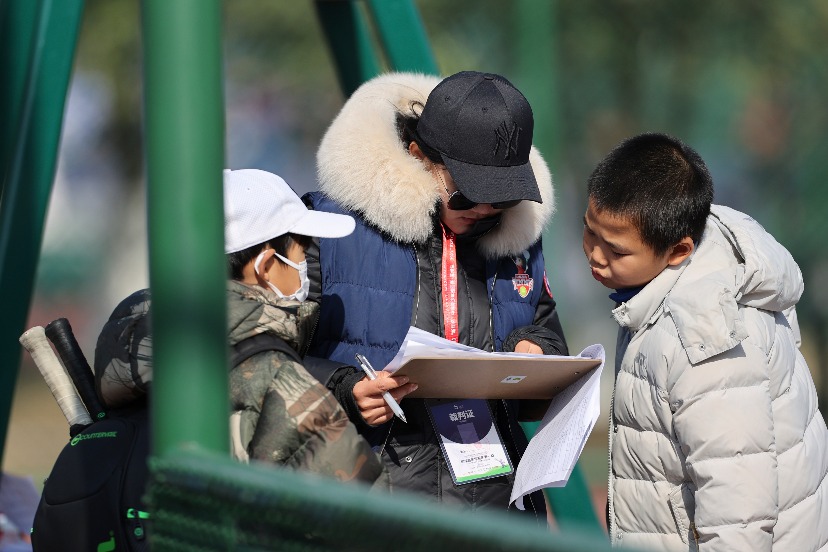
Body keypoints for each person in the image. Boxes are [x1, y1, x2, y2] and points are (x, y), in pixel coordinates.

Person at [302, 71, 568, 521]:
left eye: (501, 198)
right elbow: (268, 355)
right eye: (468, 196)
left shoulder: (518, 239)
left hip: (496, 507)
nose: (485, 210)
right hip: (370, 503)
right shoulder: (328, 228)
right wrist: (345, 389)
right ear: (419, 157)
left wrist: (534, 347)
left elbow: (547, 331)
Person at [583, 132, 828, 550]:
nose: (595, 255)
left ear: (678, 250)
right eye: (590, 233)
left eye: (617, 251)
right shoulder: (668, 285)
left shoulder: (704, 337)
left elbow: (739, 515)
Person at [94, 168, 388, 488]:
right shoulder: (272, 373)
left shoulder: (132, 347)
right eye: (302, 250)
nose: (308, 264)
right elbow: (358, 506)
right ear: (264, 266)